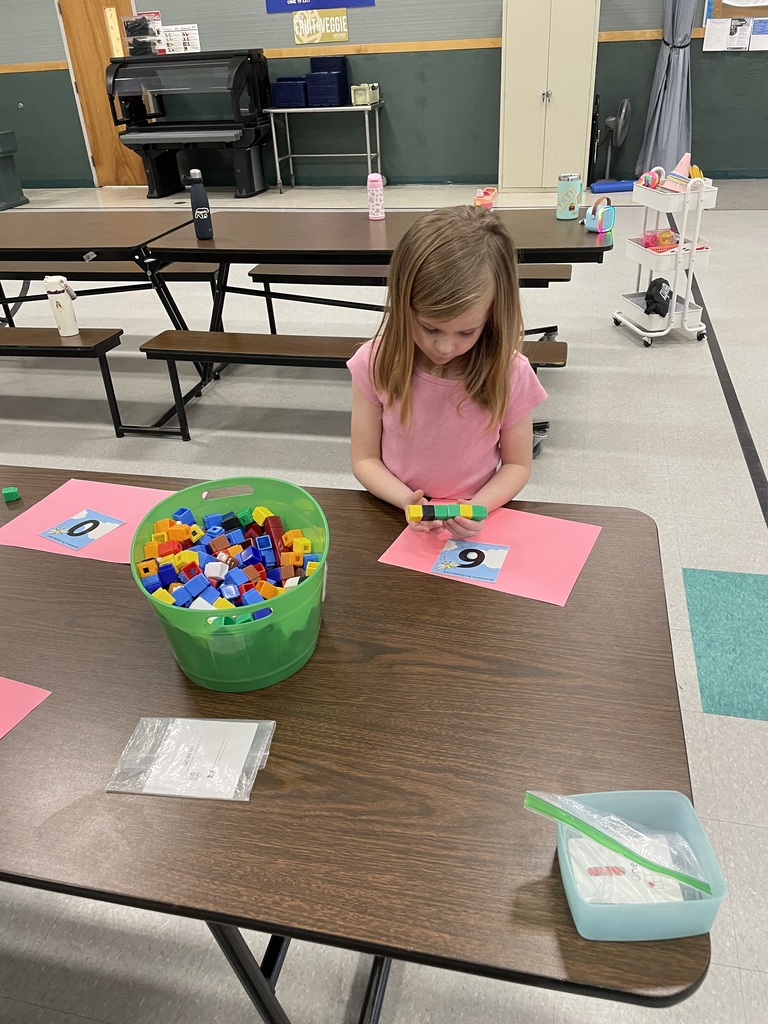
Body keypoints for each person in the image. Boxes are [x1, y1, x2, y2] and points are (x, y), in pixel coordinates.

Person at [348, 205, 547, 540]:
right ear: (403, 303)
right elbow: (365, 459)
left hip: (477, 519)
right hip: (391, 513)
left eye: (466, 333)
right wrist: (406, 502)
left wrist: (477, 507)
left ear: (493, 316)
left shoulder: (510, 373)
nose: (443, 347)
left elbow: (517, 465)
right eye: (430, 328)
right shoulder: (375, 362)